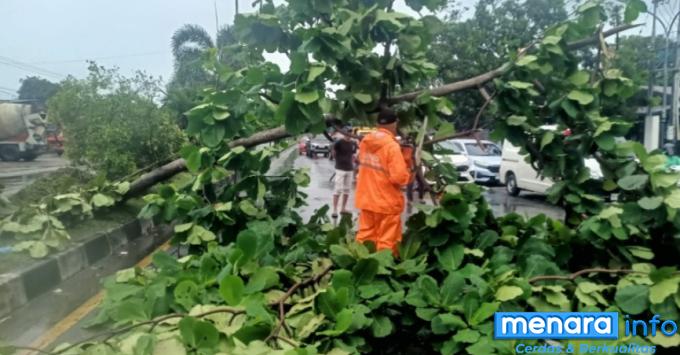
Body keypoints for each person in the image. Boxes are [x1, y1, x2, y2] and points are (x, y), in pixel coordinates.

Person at [355, 107, 411, 255]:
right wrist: (407, 164)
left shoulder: (365, 142)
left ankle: (362, 264)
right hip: (386, 201)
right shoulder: (392, 147)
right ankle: (382, 269)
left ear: (378, 123)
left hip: (367, 199)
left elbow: (368, 165)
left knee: (366, 236)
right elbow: (399, 178)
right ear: (395, 123)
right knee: (387, 241)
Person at [331, 132, 356, 218]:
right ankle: (334, 210)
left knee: (347, 190)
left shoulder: (353, 143)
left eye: (350, 133)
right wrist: (337, 159)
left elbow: (353, 154)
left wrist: (354, 161)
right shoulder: (339, 142)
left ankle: (343, 208)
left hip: (349, 169)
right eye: (347, 133)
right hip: (340, 169)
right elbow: (333, 151)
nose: (348, 135)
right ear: (344, 133)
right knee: (337, 189)